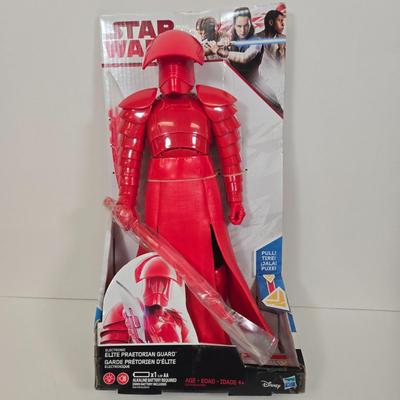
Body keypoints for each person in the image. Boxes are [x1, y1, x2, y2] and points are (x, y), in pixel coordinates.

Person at [217, 7, 263, 81]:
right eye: (239, 26)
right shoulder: (229, 38)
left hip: (252, 84)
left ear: (250, 23)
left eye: (246, 25)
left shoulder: (257, 41)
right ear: (234, 25)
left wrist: (222, 52)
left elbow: (245, 57)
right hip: (233, 83)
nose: (243, 30)